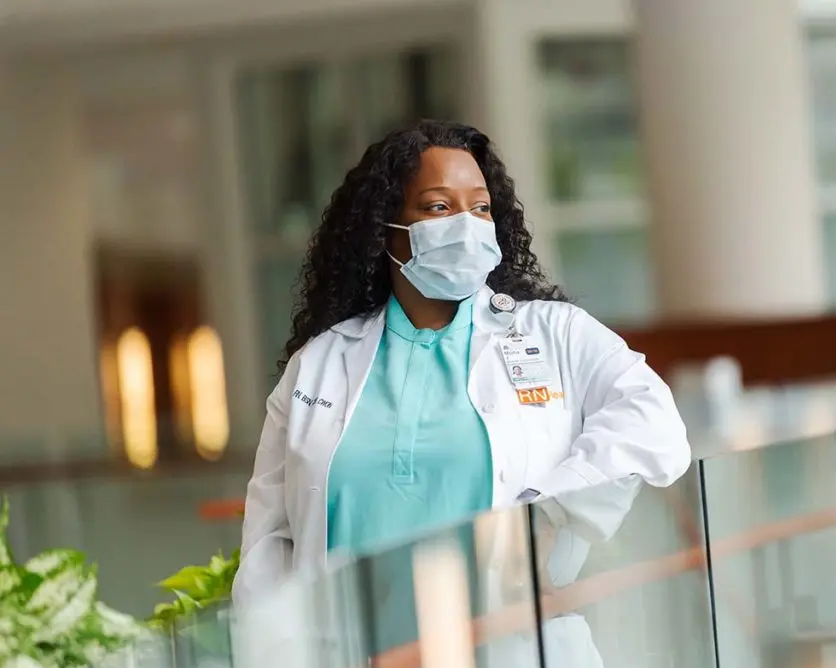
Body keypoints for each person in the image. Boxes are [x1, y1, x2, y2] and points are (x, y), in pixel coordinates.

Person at [233, 120, 691, 611]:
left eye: (480, 207)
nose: (466, 224)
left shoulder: (554, 333)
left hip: (508, 646)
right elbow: (267, 548)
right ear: (385, 228)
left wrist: (548, 513)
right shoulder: (319, 364)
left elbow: (651, 418)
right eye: (438, 207)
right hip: (361, 663)